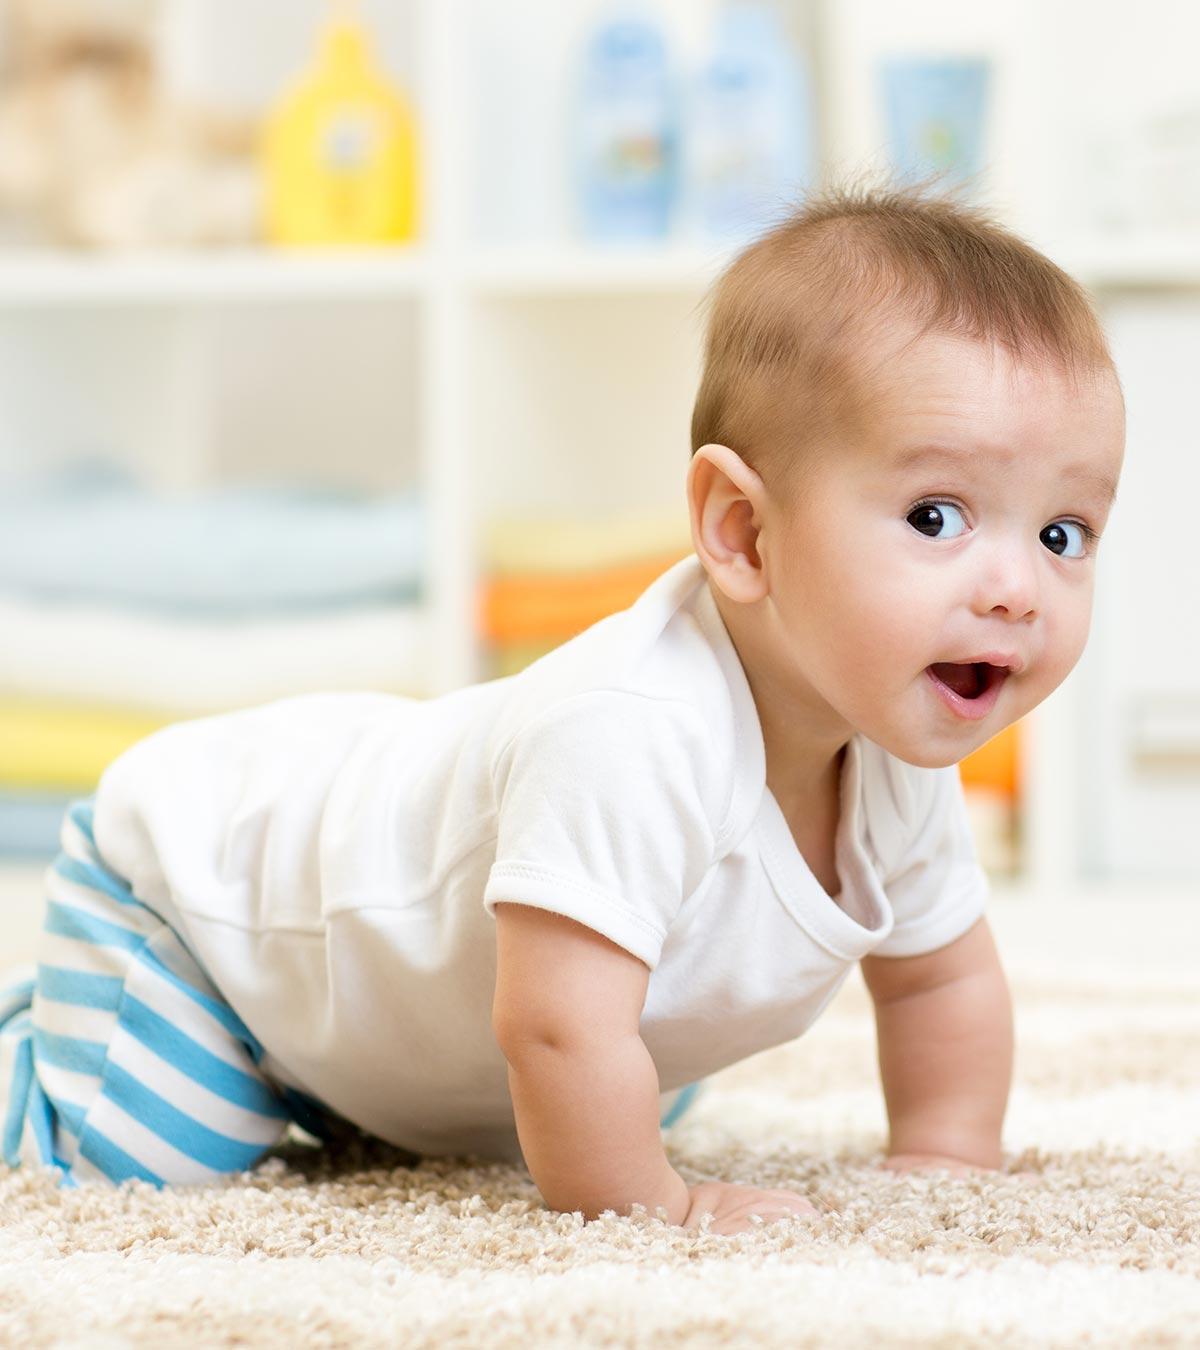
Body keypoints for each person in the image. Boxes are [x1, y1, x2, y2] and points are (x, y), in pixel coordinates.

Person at [0, 184, 1126, 1236]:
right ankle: (44, 1046)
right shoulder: (632, 730)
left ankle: (351, 1090)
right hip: (209, 912)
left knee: (617, 1074)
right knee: (159, 1151)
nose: (1015, 587)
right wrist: (655, 1209)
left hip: (413, 1029)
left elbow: (940, 976)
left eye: (1061, 534)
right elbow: (553, 1029)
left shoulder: (890, 751)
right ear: (742, 532)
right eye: (937, 516)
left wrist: (946, 1153)